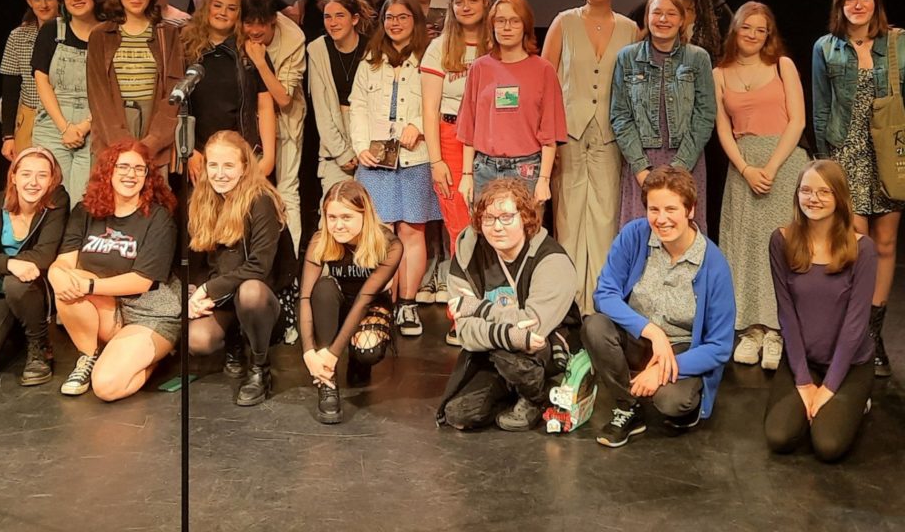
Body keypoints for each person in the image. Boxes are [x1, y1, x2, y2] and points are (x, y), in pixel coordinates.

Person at [582, 166, 735, 448]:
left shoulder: (713, 264)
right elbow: (604, 293)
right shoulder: (634, 236)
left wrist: (664, 368)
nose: (661, 219)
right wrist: (651, 331)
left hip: (682, 347)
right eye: (654, 209)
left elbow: (720, 346)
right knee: (594, 325)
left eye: (671, 209)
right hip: (638, 337)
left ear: (690, 210)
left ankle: (679, 397)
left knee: (672, 402)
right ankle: (628, 407)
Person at [812, 0, 904, 378]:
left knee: (885, 243)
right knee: (856, 246)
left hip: (886, 154)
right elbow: (820, 110)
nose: (858, 5)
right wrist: (825, 164)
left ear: (876, 2)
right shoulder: (826, 48)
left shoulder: (898, 45)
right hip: (846, 155)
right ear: (840, 4)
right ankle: (850, 334)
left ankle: (874, 333)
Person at [438, 179, 577, 431]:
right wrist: (509, 334)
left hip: (545, 349)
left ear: (524, 218)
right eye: (488, 218)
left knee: (512, 357)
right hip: (492, 350)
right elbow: (466, 331)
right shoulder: (469, 251)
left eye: (506, 217)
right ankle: (513, 389)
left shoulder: (552, 260)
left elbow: (533, 325)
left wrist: (478, 309)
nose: (496, 227)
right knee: (459, 413)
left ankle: (540, 395)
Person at [543, 0, 638, 315]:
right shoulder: (564, 23)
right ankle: (566, 300)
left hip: (610, 135)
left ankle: (599, 301)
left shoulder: (630, 29)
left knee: (604, 217)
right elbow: (545, 80)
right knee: (567, 218)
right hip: (568, 132)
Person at [49, 139, 180, 400]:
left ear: (147, 176)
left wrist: (88, 286)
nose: (130, 174)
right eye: (122, 167)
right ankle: (88, 356)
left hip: (149, 312)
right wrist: (55, 275)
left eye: (138, 169)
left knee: (106, 387)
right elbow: (64, 261)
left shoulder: (158, 218)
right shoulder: (85, 211)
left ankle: (152, 359)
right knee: (67, 278)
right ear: (109, 171)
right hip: (109, 309)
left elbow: (142, 281)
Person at [715, 2, 808, 369]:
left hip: (782, 163)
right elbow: (723, 128)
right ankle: (751, 330)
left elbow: (798, 121)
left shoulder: (782, 66)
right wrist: (746, 168)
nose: (753, 35)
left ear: (769, 35)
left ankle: (777, 330)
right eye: (746, 28)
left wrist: (769, 167)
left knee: (781, 246)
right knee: (746, 248)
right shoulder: (719, 72)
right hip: (743, 166)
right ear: (735, 30)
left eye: (761, 30)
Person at [765, 160, 877, 461]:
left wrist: (827, 388)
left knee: (827, 445)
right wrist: (803, 381)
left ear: (839, 197)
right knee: (780, 436)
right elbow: (786, 315)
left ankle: (858, 399)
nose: (813, 199)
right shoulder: (781, 241)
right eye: (805, 190)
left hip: (850, 363)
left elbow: (856, 325)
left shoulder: (862, 248)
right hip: (803, 359)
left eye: (823, 192)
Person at [350, 0, 441, 337]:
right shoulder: (371, 61)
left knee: (412, 231)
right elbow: (357, 105)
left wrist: (417, 124)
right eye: (390, 17)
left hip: (416, 158)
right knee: (382, 233)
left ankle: (407, 304)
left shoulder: (427, 59)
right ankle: (381, 304)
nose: (396, 23)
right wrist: (360, 146)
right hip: (376, 161)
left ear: (415, 21)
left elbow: (438, 102)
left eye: (403, 17)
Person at [187, 131, 296, 406]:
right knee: (198, 341)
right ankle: (235, 338)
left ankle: (260, 368)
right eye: (213, 165)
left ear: (245, 167)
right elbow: (196, 261)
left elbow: (259, 267)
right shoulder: (203, 199)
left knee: (250, 292)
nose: (219, 173)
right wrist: (193, 293)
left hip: (264, 296)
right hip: (223, 296)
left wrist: (207, 289)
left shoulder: (261, 201)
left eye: (228, 166)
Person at [0, 146, 69, 386]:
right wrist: (8, 263)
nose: (33, 182)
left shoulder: (56, 203)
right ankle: (17, 327)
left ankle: (40, 346)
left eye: (42, 175)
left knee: (16, 283)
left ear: (52, 180)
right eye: (26, 174)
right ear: (14, 177)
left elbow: (45, 254)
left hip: (37, 290)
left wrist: (14, 268)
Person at [420, 0, 492, 340]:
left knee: (492, 227)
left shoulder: (497, 42)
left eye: (472, 1)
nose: (465, 7)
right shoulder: (439, 48)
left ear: (485, 2)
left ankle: (494, 314)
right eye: (458, 2)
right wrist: (436, 161)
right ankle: (461, 317)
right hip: (449, 140)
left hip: (492, 141)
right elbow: (429, 109)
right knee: (460, 231)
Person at [611, 0, 716, 232]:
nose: (663, 19)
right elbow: (620, 116)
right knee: (643, 235)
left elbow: (704, 115)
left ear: (682, 19)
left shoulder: (698, 58)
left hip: (687, 161)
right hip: (643, 164)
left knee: (683, 234)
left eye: (670, 13)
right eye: (657, 13)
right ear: (647, 17)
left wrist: (679, 167)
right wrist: (641, 168)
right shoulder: (627, 58)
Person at [300, 181, 404, 423]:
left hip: (369, 306)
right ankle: (328, 382)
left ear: (364, 213)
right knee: (323, 288)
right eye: (332, 217)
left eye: (346, 217)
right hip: (334, 305)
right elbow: (304, 297)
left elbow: (365, 299)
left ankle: (356, 360)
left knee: (367, 352)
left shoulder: (390, 245)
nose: (338, 225)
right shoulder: (321, 241)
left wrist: (334, 354)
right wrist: (309, 352)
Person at [457, 0, 566, 208]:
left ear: (525, 26)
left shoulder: (543, 70)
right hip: (485, 169)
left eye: (514, 21)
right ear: (492, 26)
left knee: (526, 237)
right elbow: (469, 126)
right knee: (486, 235)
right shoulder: (480, 68)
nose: (506, 27)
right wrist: (467, 174)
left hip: (526, 170)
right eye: (500, 21)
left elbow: (549, 132)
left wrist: (543, 180)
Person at [86, 0, 184, 172]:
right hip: (112, 128)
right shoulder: (100, 35)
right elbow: (98, 94)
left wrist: (153, 141)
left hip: (154, 127)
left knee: (154, 201)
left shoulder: (167, 34)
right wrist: (121, 142)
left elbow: (174, 91)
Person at [181, 0, 276, 180]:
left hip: (241, 154)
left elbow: (265, 105)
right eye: (217, 5)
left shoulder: (250, 51)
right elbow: (177, 106)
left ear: (239, 15)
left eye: (231, 8)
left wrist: (268, 157)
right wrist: (188, 149)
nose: (223, 12)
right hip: (198, 155)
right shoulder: (185, 48)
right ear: (207, 7)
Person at [32, 0, 105, 207]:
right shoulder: (52, 30)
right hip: (53, 124)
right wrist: (65, 127)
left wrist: (84, 126)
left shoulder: (108, 34)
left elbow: (111, 90)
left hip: (94, 123)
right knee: (49, 199)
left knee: (83, 201)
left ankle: (76, 246)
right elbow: (41, 80)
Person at [243, 0, 307, 251]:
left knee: (287, 190)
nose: (255, 30)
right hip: (249, 120)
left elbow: (284, 99)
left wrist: (260, 62)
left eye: (261, 23)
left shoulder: (293, 38)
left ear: (272, 21)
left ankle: (290, 263)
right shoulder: (237, 35)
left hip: (287, 121)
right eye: (249, 23)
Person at [307, 0, 375, 196]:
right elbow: (321, 107)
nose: (333, 22)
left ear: (354, 19)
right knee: (335, 207)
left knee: (373, 212)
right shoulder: (317, 49)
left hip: (369, 139)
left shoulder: (372, 48)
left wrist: (361, 147)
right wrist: (341, 152)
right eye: (328, 17)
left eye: (340, 16)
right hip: (333, 141)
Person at [0, 0, 60, 161]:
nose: (43, 4)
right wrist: (8, 135)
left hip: (63, 116)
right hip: (29, 117)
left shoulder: (73, 33)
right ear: (29, 0)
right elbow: (10, 89)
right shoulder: (18, 36)